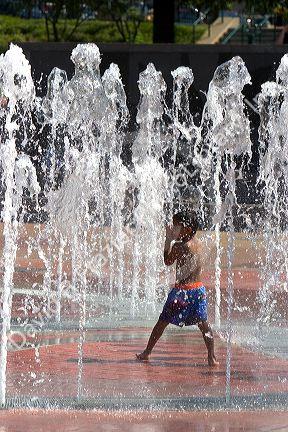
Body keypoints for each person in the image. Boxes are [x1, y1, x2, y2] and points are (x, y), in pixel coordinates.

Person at [136, 211, 218, 367]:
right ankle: (211, 357)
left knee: (162, 322)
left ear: (186, 229)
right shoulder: (198, 243)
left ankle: (147, 352)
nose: (173, 230)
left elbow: (167, 261)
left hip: (181, 293)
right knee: (204, 324)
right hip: (198, 290)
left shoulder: (181, 246)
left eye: (175, 226)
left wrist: (168, 240)